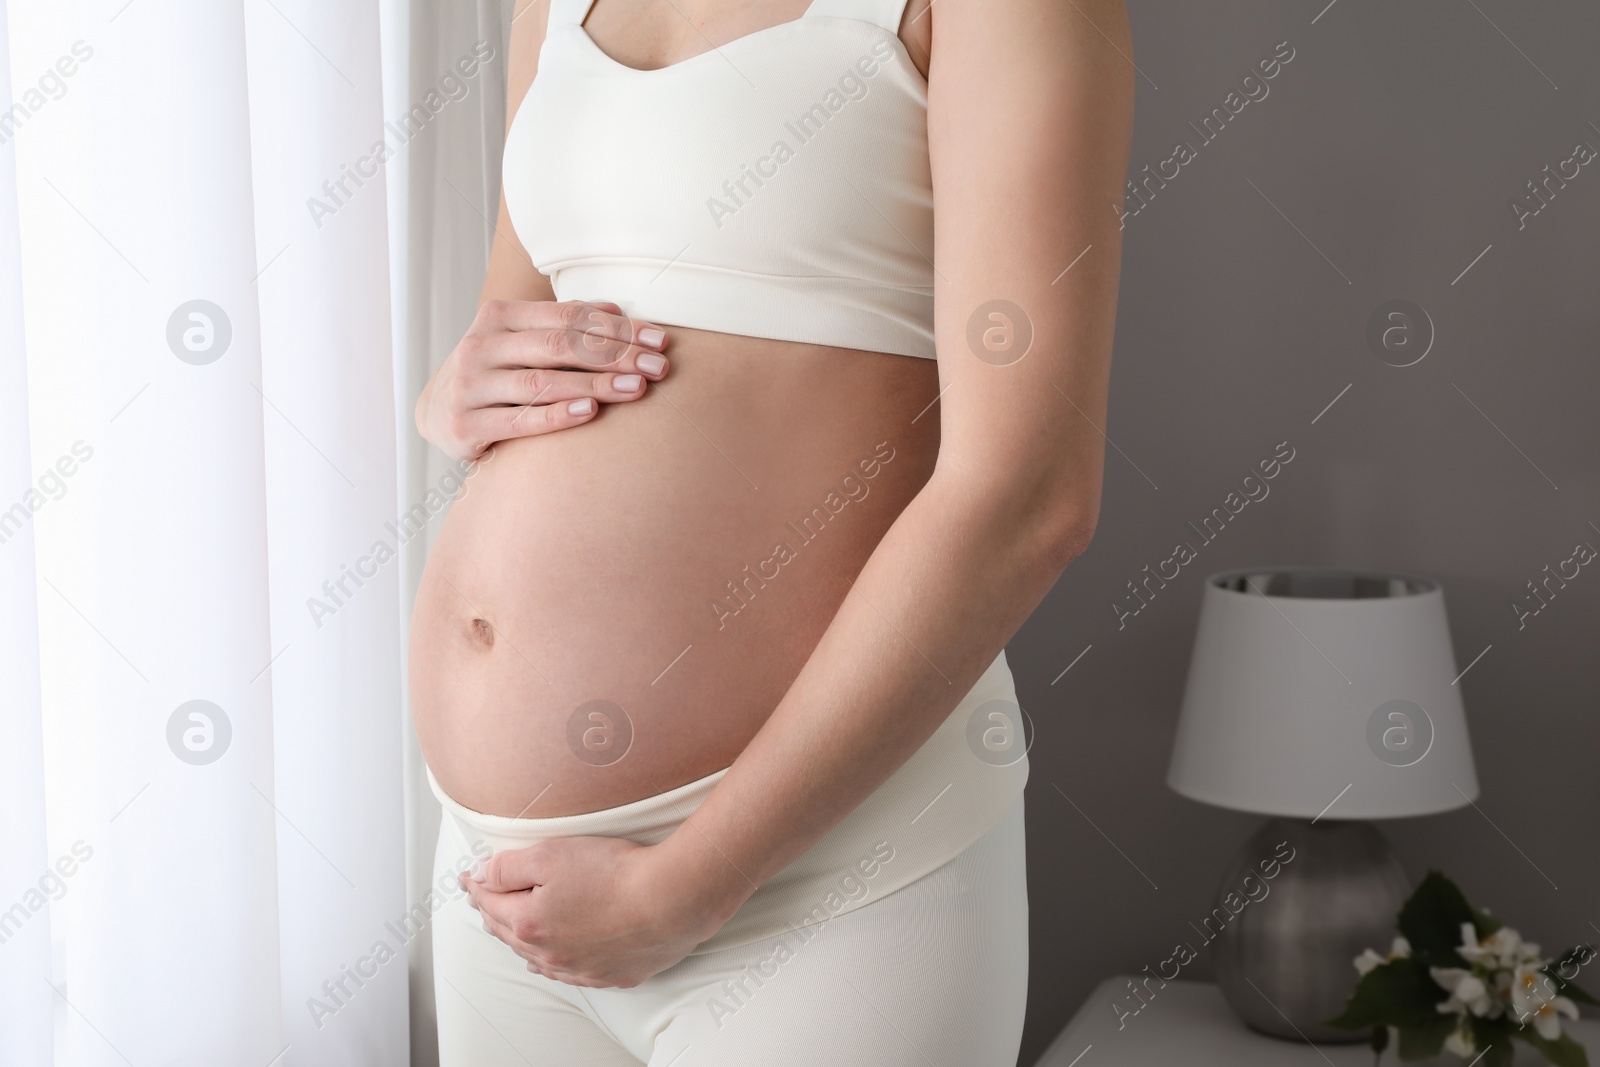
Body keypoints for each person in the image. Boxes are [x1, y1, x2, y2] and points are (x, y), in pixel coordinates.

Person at [408, 0, 1132, 1061]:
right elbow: (513, 328)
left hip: (822, 884)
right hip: (504, 878)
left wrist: (688, 882)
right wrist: (448, 396)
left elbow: (1028, 494)